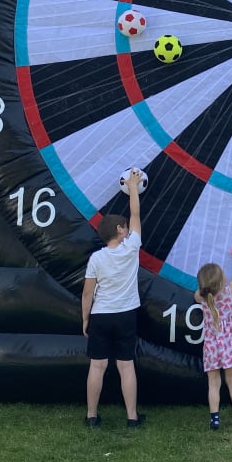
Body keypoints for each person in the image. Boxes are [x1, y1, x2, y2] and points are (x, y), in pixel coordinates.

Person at [81, 169, 147, 429]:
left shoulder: (96, 258)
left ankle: (91, 416)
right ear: (121, 230)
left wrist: (85, 319)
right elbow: (136, 215)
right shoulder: (131, 248)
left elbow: (87, 293)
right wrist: (133, 188)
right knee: (126, 366)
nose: (128, 230)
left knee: (96, 367)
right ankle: (132, 418)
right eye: (125, 228)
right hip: (125, 315)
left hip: (100, 315)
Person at [195, 245, 232, 430]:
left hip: (211, 345)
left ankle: (215, 419)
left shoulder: (201, 297)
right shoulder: (228, 291)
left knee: (213, 383)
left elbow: (198, 293)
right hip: (229, 344)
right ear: (221, 281)